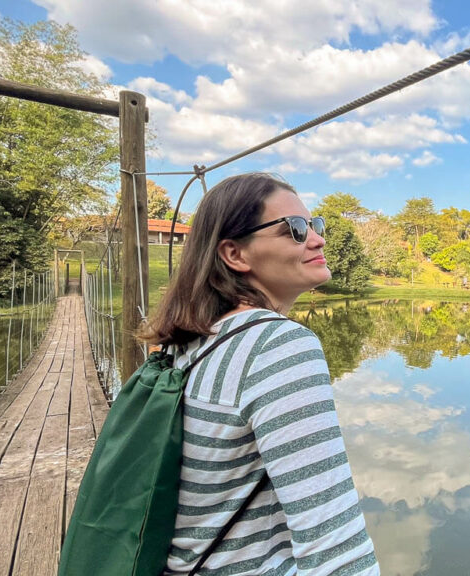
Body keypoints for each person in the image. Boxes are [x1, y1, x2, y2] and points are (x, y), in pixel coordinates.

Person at [139, 173, 379, 576]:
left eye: (315, 225)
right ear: (235, 255)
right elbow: (336, 552)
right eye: (296, 230)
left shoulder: (183, 344)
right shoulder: (276, 345)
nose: (317, 239)